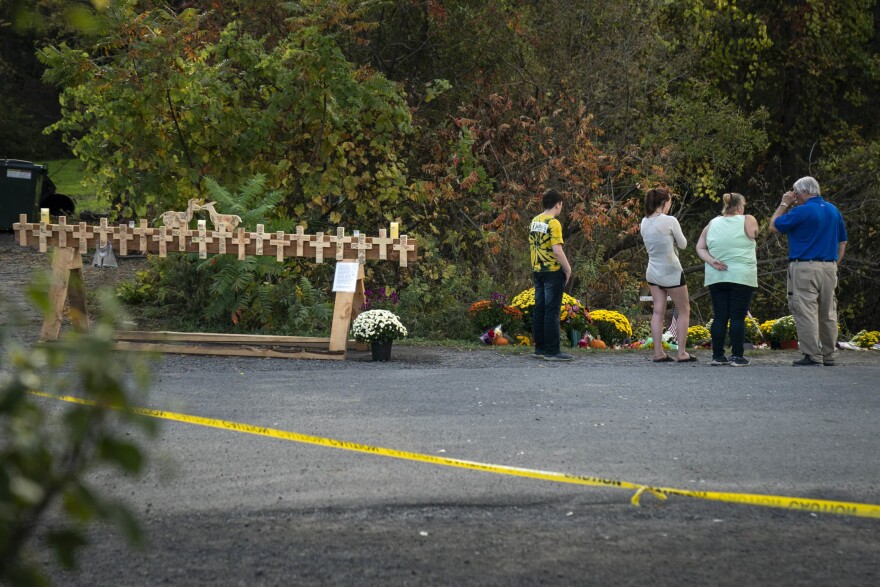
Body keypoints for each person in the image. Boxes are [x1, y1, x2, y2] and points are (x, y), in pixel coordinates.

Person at [770, 176, 848, 366]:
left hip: (804, 266)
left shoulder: (801, 211)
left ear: (804, 192)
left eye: (795, 193)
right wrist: (834, 264)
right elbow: (842, 241)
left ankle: (812, 354)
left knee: (805, 310)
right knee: (828, 312)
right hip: (829, 267)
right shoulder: (832, 210)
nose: (794, 197)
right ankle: (830, 354)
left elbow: (773, 226)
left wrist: (784, 203)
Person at [695, 193, 759, 367]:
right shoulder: (748, 219)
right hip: (741, 275)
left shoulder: (712, 223)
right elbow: (755, 233)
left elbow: (700, 247)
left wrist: (711, 260)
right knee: (737, 317)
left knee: (720, 316)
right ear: (739, 207)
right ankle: (737, 356)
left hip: (716, 276)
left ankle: (718, 355)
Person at [640, 188, 695, 362]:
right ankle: (682, 353)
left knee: (658, 312)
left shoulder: (644, 221)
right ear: (665, 203)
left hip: (653, 271)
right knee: (684, 310)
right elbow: (684, 244)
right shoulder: (670, 220)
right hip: (671, 271)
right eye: (669, 202)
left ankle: (658, 353)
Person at [529, 189, 573, 361]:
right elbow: (557, 250)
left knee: (539, 309)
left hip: (537, 269)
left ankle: (539, 348)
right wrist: (568, 269)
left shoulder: (534, 220)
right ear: (558, 204)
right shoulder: (553, 223)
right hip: (552, 270)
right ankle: (552, 350)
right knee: (552, 311)